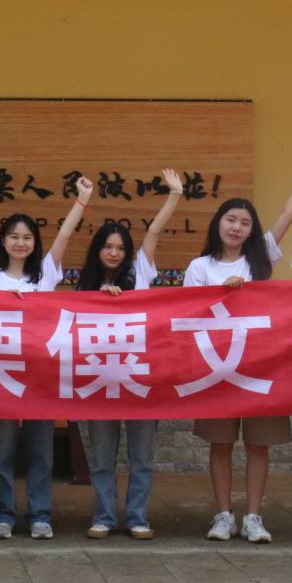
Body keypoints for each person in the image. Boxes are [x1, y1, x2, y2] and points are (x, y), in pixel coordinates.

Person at [186, 150, 292, 544]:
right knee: (220, 444)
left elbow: (288, 214)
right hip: (217, 368)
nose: (237, 227)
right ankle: (222, 516)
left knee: (259, 445)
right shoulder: (200, 267)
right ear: (218, 224)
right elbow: (187, 314)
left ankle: (253, 517)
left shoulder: (260, 258)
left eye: (245, 223)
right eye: (231, 219)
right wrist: (222, 294)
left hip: (262, 366)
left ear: (252, 231)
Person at [0, 176, 94, 540]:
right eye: (14, 236)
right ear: (3, 241)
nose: (20, 242)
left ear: (34, 243)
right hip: (0, 376)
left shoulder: (45, 274)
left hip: (41, 378)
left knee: (41, 452)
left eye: (27, 237)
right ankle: (3, 515)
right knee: (1, 453)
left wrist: (82, 200)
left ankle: (40, 514)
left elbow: (65, 235)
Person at [74, 168, 184, 541]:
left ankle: (138, 517)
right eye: (108, 246)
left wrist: (174, 195)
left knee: (142, 457)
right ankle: (104, 517)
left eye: (120, 247)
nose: (114, 252)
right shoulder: (84, 287)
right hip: (99, 381)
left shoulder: (141, 274)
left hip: (140, 380)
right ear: (97, 250)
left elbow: (154, 231)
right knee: (101, 459)